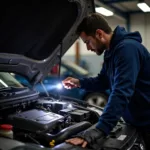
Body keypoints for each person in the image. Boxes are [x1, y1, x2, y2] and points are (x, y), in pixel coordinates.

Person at [62, 13, 150, 149]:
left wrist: (100, 129)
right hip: (137, 120)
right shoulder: (111, 52)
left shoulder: (127, 49)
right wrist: (79, 82)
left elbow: (121, 92)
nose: (88, 48)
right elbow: (103, 81)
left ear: (99, 34)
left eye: (87, 42)